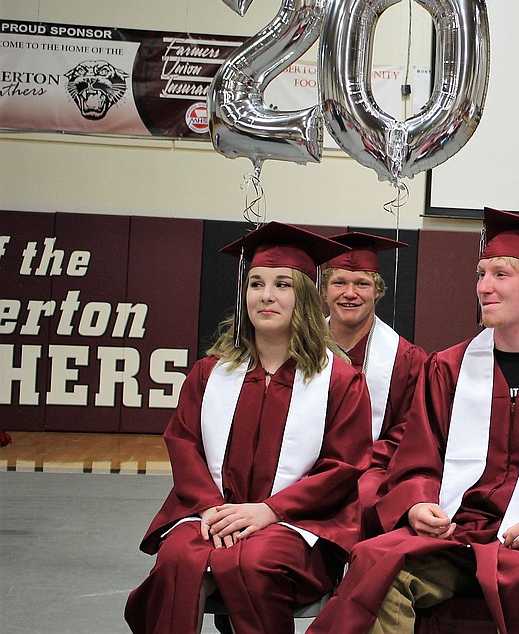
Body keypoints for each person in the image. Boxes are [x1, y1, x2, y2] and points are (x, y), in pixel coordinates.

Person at [308, 208, 519, 634]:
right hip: (455, 529)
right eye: (481, 274)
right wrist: (418, 502)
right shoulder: (449, 368)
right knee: (375, 563)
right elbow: (419, 457)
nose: (484, 287)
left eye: (500, 274)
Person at [125, 222, 372, 634]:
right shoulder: (210, 373)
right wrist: (210, 506)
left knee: (255, 561)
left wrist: (268, 511)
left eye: (282, 285)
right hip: (212, 512)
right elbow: (183, 442)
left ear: (306, 298)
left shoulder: (339, 381)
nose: (266, 295)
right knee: (177, 560)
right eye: (256, 283)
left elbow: (343, 466)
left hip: (297, 524)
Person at [324, 231, 429, 537]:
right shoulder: (299, 350)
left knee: (367, 494)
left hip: (370, 467)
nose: (350, 293)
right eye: (339, 282)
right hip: (305, 464)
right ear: (324, 290)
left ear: (378, 291)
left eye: (362, 284)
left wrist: (357, 461)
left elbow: (409, 432)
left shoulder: (406, 359)